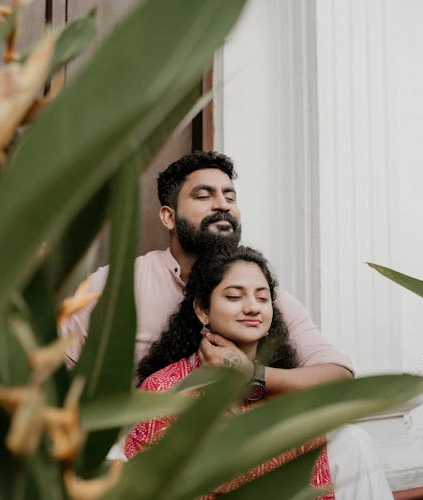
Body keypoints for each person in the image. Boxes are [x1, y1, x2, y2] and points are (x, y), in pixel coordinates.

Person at [59, 150, 392, 499]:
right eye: (204, 196)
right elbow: (54, 376)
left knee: (352, 443)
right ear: (168, 216)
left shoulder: (267, 299)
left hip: (246, 435)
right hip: (149, 443)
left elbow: (338, 374)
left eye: (229, 196)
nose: (222, 205)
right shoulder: (114, 288)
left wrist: (253, 375)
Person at [125, 246, 334, 499]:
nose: (252, 308)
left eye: (262, 298)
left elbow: (318, 492)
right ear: (202, 310)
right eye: (235, 297)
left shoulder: (293, 399)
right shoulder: (164, 393)